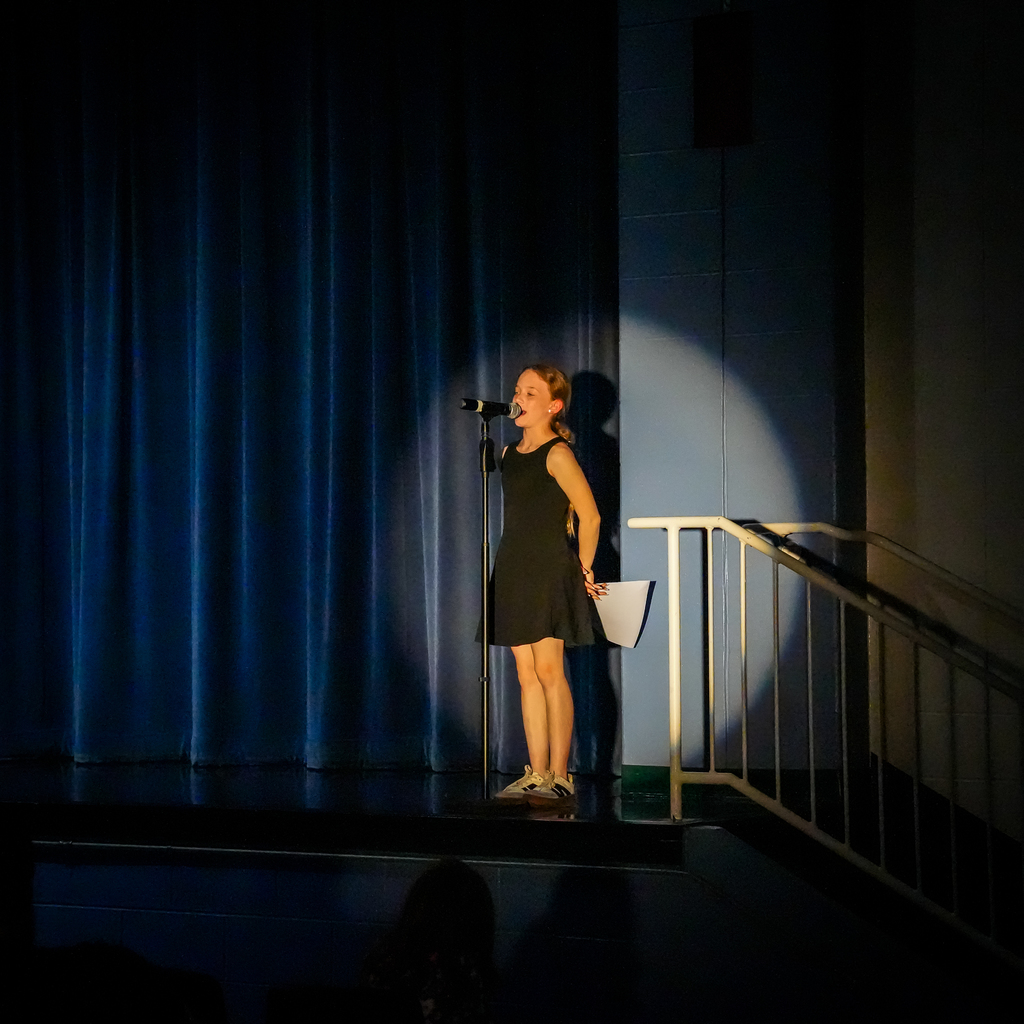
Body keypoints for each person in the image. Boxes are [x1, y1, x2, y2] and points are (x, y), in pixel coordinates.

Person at [489, 363, 605, 802]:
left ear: (553, 406)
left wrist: (585, 569)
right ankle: (536, 773)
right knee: (526, 673)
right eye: (518, 389)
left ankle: (561, 775)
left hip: (550, 568)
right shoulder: (506, 454)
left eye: (531, 392)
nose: (519, 397)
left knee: (551, 670)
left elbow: (590, 515)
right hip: (515, 567)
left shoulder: (558, 453)